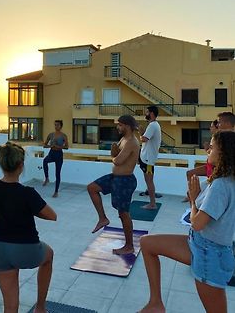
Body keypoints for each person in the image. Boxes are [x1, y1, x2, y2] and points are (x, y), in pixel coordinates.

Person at [138, 130, 235, 313]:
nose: (208, 150)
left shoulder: (222, 185)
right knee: (147, 243)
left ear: (223, 153)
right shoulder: (225, 180)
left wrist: (193, 199)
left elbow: (197, 223)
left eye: (212, 147)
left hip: (210, 254)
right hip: (198, 244)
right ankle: (155, 303)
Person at [0, 142, 56, 313]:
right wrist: (32, 209)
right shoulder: (27, 193)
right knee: (48, 255)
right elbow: (52, 216)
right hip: (26, 249)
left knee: (10, 307)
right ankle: (40, 308)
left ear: (1, 163)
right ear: (21, 165)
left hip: (0, 249)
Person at [87, 115, 140, 254]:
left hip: (125, 180)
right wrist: (115, 153)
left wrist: (113, 155)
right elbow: (117, 154)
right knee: (92, 188)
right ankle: (103, 218)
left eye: (120, 125)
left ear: (127, 126)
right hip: (115, 177)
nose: (118, 127)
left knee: (123, 213)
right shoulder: (123, 139)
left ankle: (129, 246)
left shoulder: (132, 142)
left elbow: (118, 161)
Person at [139, 106, 161, 210]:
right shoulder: (153, 125)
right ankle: (152, 202)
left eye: (147, 112)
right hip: (146, 158)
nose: (146, 114)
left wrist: (140, 132)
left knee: (149, 181)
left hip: (148, 159)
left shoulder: (152, 125)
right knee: (148, 181)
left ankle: (152, 204)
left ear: (151, 113)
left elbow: (144, 139)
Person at [42, 119, 69, 197]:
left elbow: (67, 147)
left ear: (61, 126)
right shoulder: (51, 135)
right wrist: (51, 146)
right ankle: (47, 178)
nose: (56, 126)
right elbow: (44, 145)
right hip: (52, 153)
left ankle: (56, 191)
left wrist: (58, 146)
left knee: (57, 173)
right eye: (55, 125)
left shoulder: (64, 136)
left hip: (59, 155)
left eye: (57, 125)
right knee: (45, 161)